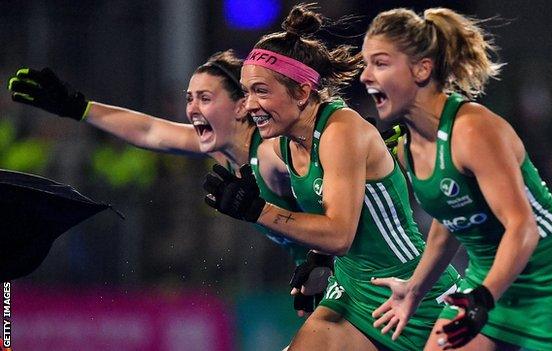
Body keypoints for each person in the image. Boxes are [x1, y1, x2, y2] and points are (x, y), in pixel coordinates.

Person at [202, 4, 461, 350]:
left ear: (302, 92)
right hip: (352, 291)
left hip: (416, 294)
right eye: (246, 92)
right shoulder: (281, 144)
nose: (249, 105)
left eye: (261, 91)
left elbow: (338, 234)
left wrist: (257, 210)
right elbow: (220, 145)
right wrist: (319, 258)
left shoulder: (341, 130)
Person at [359, 7, 552, 351]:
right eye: (366, 63)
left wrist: (483, 298)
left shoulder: (472, 130)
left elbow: (522, 227)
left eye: (380, 63)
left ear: (422, 69)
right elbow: (447, 225)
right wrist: (415, 290)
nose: (365, 75)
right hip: (488, 282)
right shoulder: (407, 145)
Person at [6, 50, 331, 312]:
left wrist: (321, 259)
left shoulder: (271, 151)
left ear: (240, 105)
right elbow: (150, 131)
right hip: (323, 275)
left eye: (204, 98)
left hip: (351, 268)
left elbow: (336, 202)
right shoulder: (224, 149)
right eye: (189, 99)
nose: (191, 109)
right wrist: (79, 107)